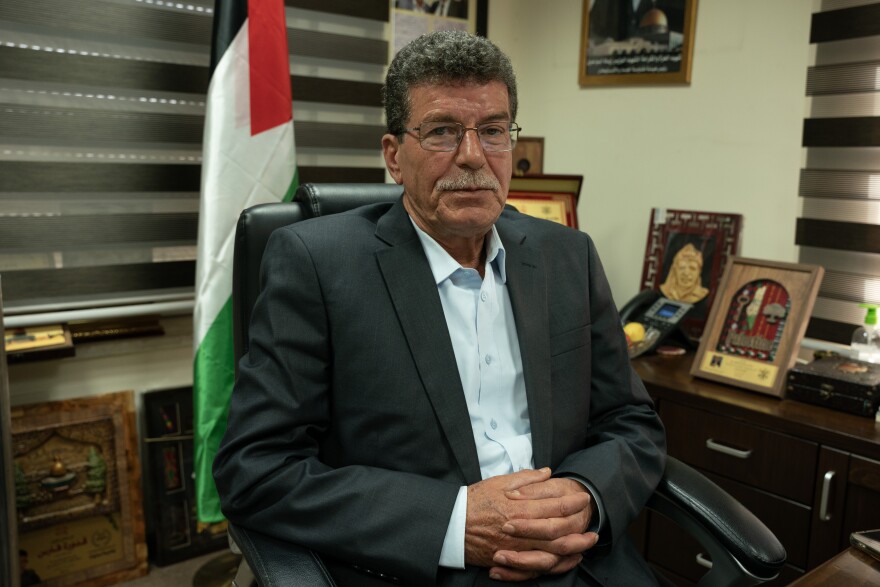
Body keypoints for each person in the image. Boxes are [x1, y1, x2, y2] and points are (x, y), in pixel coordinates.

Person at [213, 30, 666, 586]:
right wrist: (455, 522)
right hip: (424, 564)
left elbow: (631, 421)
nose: (473, 156)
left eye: (493, 131)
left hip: (577, 557)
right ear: (393, 156)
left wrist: (585, 494)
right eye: (442, 131)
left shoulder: (567, 255)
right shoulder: (318, 264)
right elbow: (255, 469)